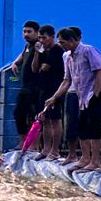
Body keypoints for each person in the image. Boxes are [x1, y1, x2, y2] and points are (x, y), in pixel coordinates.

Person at [42, 26, 101, 171]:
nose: (61, 45)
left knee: (93, 126)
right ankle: (85, 158)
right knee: (82, 127)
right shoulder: (67, 57)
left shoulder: (88, 51)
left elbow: (100, 72)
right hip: (82, 95)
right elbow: (67, 80)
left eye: (62, 42)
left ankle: (95, 161)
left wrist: (96, 94)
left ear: (72, 40)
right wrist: (54, 97)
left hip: (95, 94)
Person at [28, 25, 65, 159]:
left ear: (51, 37)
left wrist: (45, 67)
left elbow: (48, 68)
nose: (42, 40)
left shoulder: (58, 51)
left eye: (44, 37)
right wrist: (37, 53)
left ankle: (55, 150)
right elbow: (35, 68)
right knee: (45, 119)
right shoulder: (43, 51)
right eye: (40, 38)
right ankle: (46, 149)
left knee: (55, 119)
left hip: (55, 88)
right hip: (43, 88)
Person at [9, 19, 41, 136]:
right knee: (19, 113)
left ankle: (33, 145)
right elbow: (22, 55)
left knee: (34, 115)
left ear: (37, 32)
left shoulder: (40, 46)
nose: (26, 34)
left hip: (36, 87)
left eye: (29, 32)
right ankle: (23, 141)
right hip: (25, 86)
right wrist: (15, 63)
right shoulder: (28, 45)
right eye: (24, 32)